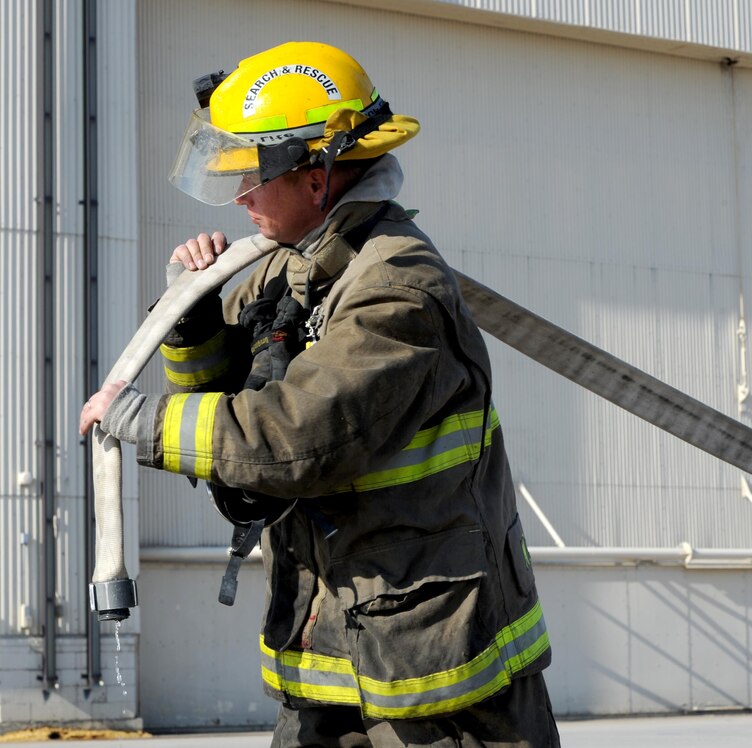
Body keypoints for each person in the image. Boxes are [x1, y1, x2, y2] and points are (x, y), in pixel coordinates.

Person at [79, 41, 559, 748]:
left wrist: (140, 425)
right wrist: (193, 326)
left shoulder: (395, 287)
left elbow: (293, 439)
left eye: (254, 170)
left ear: (317, 176)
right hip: (329, 659)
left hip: (440, 685)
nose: (239, 192)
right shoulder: (285, 270)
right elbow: (231, 426)